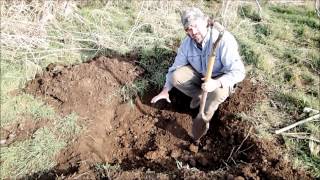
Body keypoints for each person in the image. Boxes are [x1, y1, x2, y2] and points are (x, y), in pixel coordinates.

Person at [151, 7, 245, 122]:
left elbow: (239, 72)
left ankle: (205, 118)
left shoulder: (223, 40)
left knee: (217, 93)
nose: (193, 32)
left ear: (205, 21)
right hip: (202, 77)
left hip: (220, 80)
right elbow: (174, 68)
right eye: (189, 29)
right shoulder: (187, 44)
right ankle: (200, 97)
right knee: (175, 76)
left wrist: (216, 83)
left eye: (196, 26)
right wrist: (165, 90)